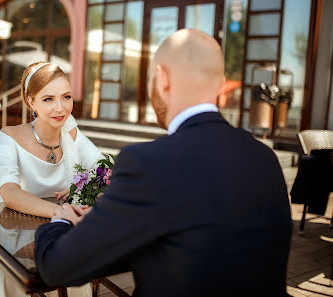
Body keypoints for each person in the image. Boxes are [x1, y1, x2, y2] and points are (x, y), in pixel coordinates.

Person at [35, 29, 293, 297]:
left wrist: (61, 220)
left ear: (162, 79)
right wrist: (107, 219)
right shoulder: (265, 158)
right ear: (220, 85)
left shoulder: (147, 163)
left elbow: (57, 267)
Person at [0, 62, 103, 297]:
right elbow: (9, 193)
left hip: (57, 227)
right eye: (48, 99)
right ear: (31, 102)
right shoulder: (9, 136)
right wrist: (58, 212)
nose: (60, 108)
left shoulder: (71, 132)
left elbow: (103, 170)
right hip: (9, 226)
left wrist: (78, 186)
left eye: (67, 97)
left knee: (72, 259)